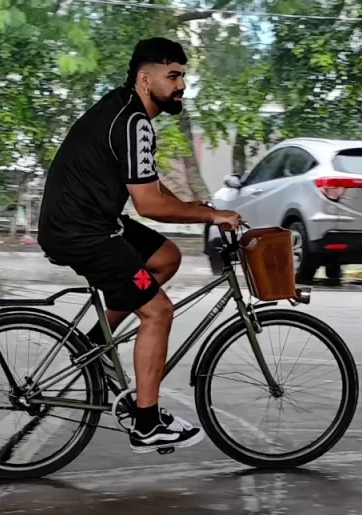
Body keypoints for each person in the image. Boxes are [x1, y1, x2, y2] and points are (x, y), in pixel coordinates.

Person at [38, 37, 241, 455]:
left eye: (183, 75)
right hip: (82, 231)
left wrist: (190, 206)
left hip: (93, 223)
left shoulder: (127, 111)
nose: (181, 84)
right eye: (173, 75)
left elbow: (147, 185)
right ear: (145, 79)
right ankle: (147, 423)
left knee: (165, 257)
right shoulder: (132, 122)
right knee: (158, 311)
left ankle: (93, 345)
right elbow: (149, 205)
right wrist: (210, 216)